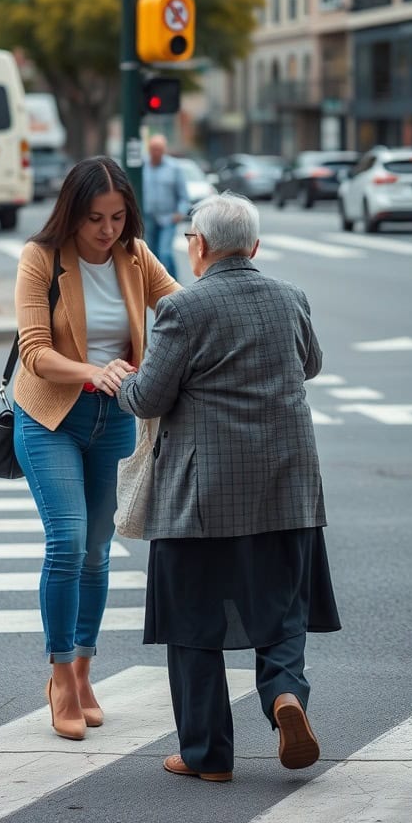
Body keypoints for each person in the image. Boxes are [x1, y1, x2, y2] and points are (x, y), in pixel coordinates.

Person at [116, 192, 341, 782]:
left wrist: (121, 380)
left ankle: (208, 757)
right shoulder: (291, 298)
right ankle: (285, 694)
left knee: (192, 622)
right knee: (283, 607)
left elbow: (149, 398)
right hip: (288, 488)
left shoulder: (183, 311)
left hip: (202, 497)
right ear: (255, 246)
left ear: (199, 246)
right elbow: (309, 364)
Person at [12, 156, 180, 742]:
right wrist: (92, 369)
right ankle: (59, 676)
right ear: (71, 215)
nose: (107, 230)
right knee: (68, 540)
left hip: (113, 419)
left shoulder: (135, 256)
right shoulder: (41, 258)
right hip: (51, 415)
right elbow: (34, 350)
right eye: (94, 219)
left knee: (98, 551)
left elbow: (182, 307)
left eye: (117, 217)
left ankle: (84, 671)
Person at [142, 134, 190, 277]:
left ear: (164, 150)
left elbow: (183, 196)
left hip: (168, 218)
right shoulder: (142, 166)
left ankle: (173, 283)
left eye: (159, 149)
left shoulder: (174, 168)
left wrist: (180, 213)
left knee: (165, 253)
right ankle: (157, 285)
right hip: (148, 217)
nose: (156, 152)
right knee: (152, 254)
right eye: (153, 149)